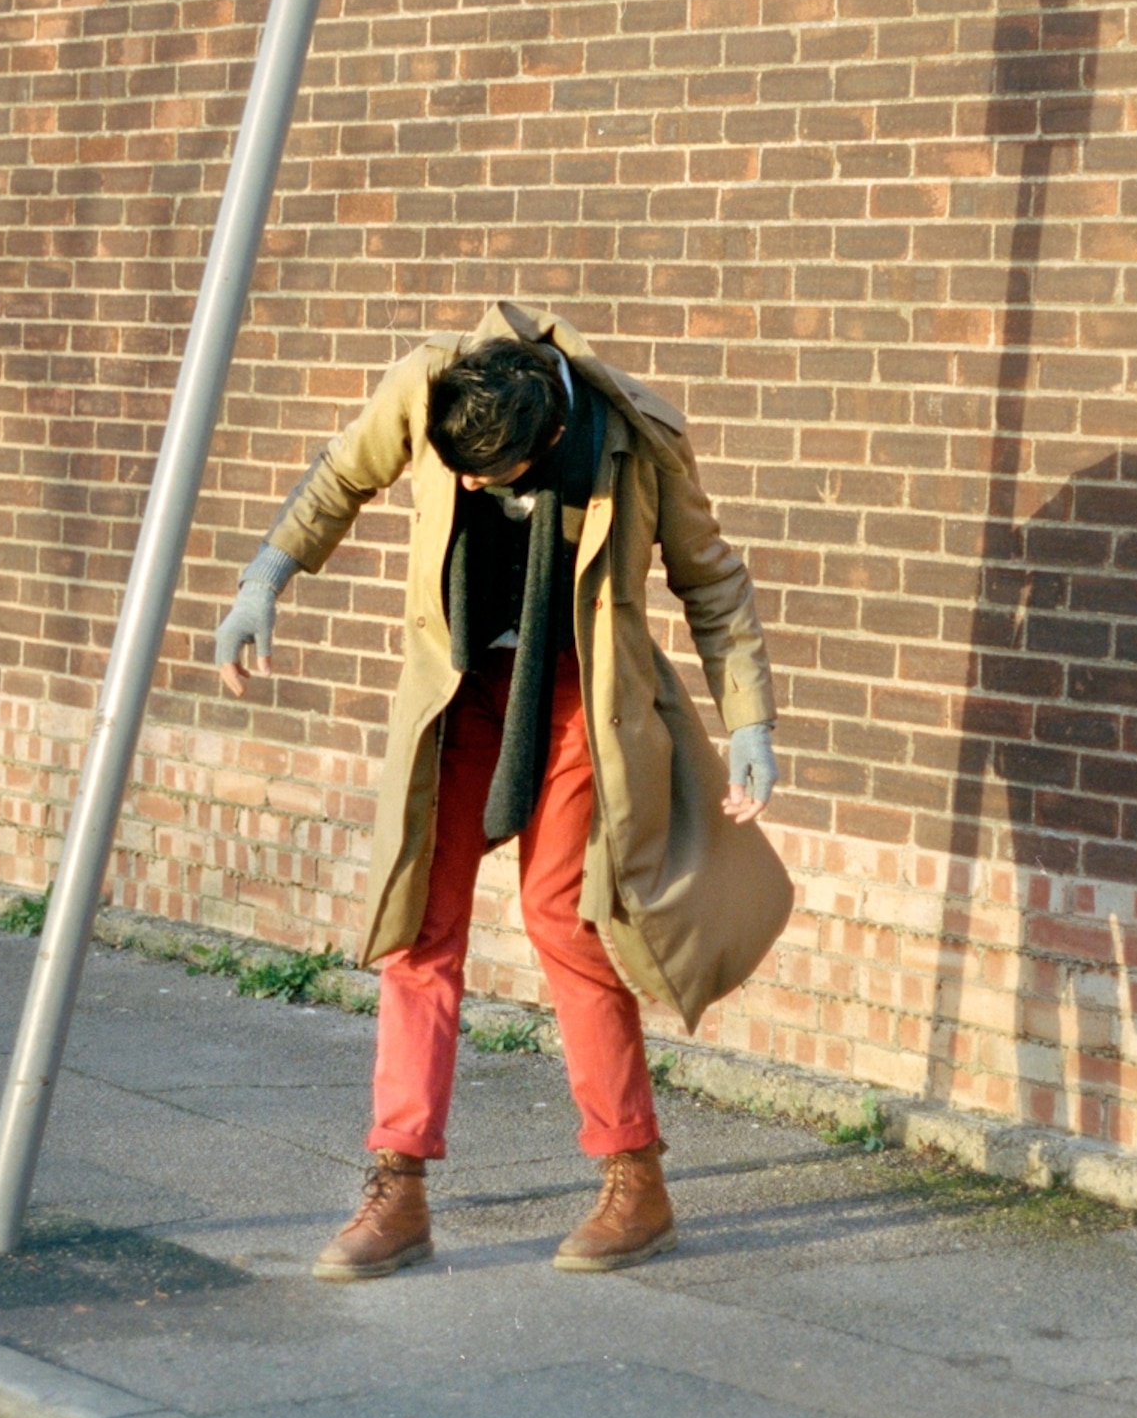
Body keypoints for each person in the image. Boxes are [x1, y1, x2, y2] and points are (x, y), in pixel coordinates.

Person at [214, 301, 790, 1280]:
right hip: (460, 684)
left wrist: (751, 721)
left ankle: (635, 1178)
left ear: (551, 436)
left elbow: (713, 582)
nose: (467, 484)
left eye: (490, 475)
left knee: (562, 918)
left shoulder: (633, 446)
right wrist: (265, 579)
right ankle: (397, 1187)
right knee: (419, 924)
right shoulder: (435, 386)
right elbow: (343, 474)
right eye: (457, 470)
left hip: (577, 694)